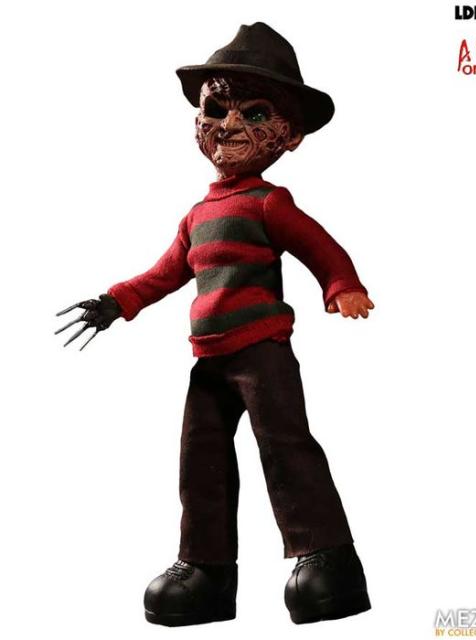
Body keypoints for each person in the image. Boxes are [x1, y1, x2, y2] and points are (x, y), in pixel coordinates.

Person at [56, 22, 374, 626]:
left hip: (263, 352)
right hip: (208, 360)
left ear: (290, 134)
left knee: (285, 448)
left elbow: (321, 248)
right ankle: (205, 571)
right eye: (215, 109)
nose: (228, 125)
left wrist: (342, 287)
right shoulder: (198, 215)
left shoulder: (269, 203)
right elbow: (164, 273)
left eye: (253, 113)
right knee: (199, 458)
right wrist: (115, 302)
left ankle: (328, 559)